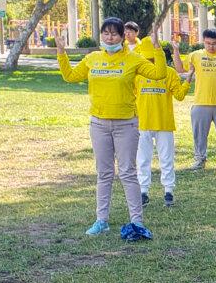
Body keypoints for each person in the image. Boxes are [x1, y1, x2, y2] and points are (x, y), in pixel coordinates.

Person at [57, 17, 167, 238]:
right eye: (106, 33)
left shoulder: (133, 59)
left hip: (126, 124)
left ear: (122, 36)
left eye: (114, 34)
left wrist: (158, 49)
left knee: (128, 173)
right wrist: (61, 52)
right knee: (104, 173)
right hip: (99, 124)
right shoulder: (93, 58)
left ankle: (136, 221)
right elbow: (70, 76)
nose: (109, 38)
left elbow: (159, 74)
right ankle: (101, 221)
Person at [173, 27, 216, 170]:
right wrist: (176, 51)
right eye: (208, 43)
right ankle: (199, 159)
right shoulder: (195, 55)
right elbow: (180, 68)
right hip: (201, 102)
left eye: (214, 43)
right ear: (203, 41)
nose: (211, 46)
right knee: (199, 134)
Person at [136, 42, 189, 207]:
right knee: (142, 159)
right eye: (147, 59)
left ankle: (168, 191)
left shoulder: (169, 73)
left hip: (164, 123)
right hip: (142, 123)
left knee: (166, 159)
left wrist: (187, 81)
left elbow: (179, 95)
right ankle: (143, 191)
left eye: (153, 59)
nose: (150, 62)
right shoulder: (137, 74)